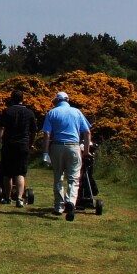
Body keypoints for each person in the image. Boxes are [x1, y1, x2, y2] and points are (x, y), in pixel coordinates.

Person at [42, 92, 92, 221]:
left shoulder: (52, 113)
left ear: (57, 101)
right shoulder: (77, 112)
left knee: (58, 176)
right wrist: (86, 151)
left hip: (57, 146)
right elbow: (87, 132)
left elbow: (47, 134)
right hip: (73, 146)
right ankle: (70, 202)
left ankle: (59, 207)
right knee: (73, 178)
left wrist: (45, 152)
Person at [0, 90, 38, 207]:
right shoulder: (29, 113)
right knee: (20, 173)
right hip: (23, 145)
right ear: (22, 99)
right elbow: (34, 131)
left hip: (9, 144)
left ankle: (7, 197)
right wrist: (30, 144)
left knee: (7, 173)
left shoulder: (7, 111)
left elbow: (1, 129)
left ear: (11, 99)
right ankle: (19, 198)